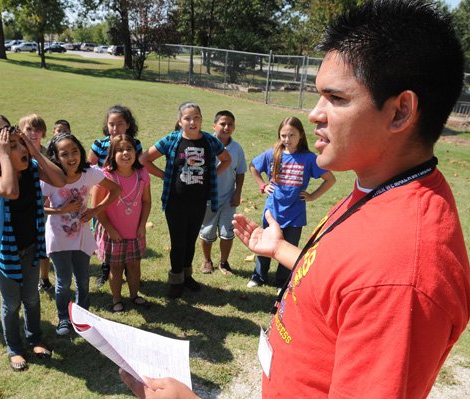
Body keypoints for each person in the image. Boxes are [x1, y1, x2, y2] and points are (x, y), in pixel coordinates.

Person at [121, 1, 470, 398]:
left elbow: (373, 281)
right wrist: (283, 249)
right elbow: (340, 276)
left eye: (335, 98)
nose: (315, 113)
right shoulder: (379, 187)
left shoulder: (402, 276)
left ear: (400, 111)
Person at [0, 119, 66, 371]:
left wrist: (34, 150)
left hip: (30, 246)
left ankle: (35, 338)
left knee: (32, 298)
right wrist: (4, 155)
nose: (21, 150)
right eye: (13, 146)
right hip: (6, 252)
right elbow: (10, 191)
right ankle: (14, 348)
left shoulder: (32, 168)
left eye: (21, 144)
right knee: (12, 303)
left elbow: (60, 180)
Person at [140, 102, 231, 298]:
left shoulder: (209, 141)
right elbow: (144, 159)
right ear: (180, 121)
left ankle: (187, 276)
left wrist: (212, 175)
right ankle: (175, 280)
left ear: (201, 120)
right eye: (187, 118)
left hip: (199, 202)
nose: (192, 122)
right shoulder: (172, 140)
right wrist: (165, 175)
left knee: (190, 241)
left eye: (196, 117)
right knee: (178, 241)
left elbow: (226, 159)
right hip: (175, 202)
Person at [41, 132, 120, 335]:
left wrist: (95, 210)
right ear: (56, 158)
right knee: (63, 281)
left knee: (83, 280)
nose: (71, 157)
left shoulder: (89, 173)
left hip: (82, 236)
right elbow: (37, 207)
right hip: (58, 238)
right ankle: (64, 319)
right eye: (64, 154)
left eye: (74, 151)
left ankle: (83, 317)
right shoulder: (50, 179)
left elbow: (116, 190)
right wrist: (60, 211)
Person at [246, 116, 335, 289]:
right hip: (272, 211)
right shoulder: (273, 153)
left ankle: (282, 281)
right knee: (264, 244)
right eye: (283, 135)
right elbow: (253, 166)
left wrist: (312, 196)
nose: (287, 140)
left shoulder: (309, 158)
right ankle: (258, 276)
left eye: (292, 135)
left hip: (295, 214)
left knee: (287, 247)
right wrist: (263, 185)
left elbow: (330, 179)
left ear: (301, 135)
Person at [93, 135, 152, 313]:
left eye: (129, 149)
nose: (125, 153)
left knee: (135, 265)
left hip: (135, 232)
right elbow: (97, 208)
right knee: (116, 267)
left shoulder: (142, 174)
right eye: (120, 150)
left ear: (136, 152)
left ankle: (134, 295)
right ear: (112, 153)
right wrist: (110, 229)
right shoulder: (105, 176)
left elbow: (147, 202)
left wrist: (142, 225)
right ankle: (117, 299)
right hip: (113, 233)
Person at [88, 105, 143, 289]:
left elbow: (139, 167)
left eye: (120, 123)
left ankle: (129, 272)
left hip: (127, 197)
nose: (115, 128)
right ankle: (105, 271)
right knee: (107, 240)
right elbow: (88, 167)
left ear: (128, 125)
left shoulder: (134, 144)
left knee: (127, 244)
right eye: (111, 124)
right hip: (104, 195)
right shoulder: (99, 144)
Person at [198, 110, 246, 275]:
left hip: (228, 199)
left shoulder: (237, 149)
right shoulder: (204, 144)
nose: (226, 127)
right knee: (207, 231)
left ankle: (224, 262)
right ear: (214, 125)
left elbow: (240, 173)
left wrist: (237, 193)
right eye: (222, 123)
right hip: (207, 198)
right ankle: (207, 260)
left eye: (230, 124)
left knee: (227, 232)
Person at [17, 114, 53, 292]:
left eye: (37, 129)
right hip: (24, 206)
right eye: (28, 129)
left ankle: (44, 278)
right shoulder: (17, 152)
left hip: (46, 205)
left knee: (44, 243)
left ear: (44, 133)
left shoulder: (48, 154)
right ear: (20, 132)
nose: (33, 133)